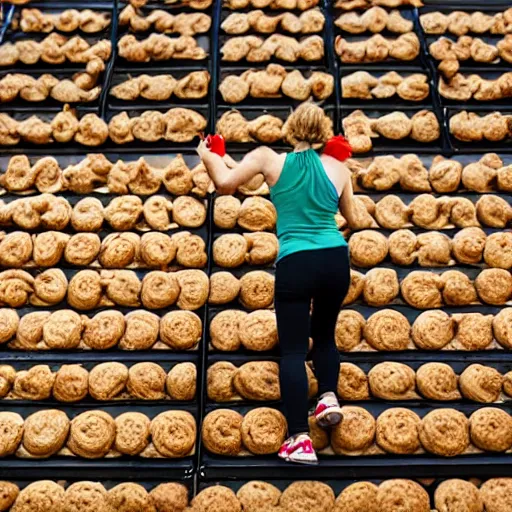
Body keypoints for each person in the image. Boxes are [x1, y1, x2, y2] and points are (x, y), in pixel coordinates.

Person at [197, 102, 359, 465]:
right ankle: (328, 397)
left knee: (292, 350)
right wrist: (325, 230)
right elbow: (354, 218)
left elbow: (224, 184)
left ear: (290, 128)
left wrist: (207, 155)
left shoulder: (268, 158)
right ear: (322, 132)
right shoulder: (339, 168)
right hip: (335, 258)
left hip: (295, 261)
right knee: (327, 335)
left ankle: (300, 439)